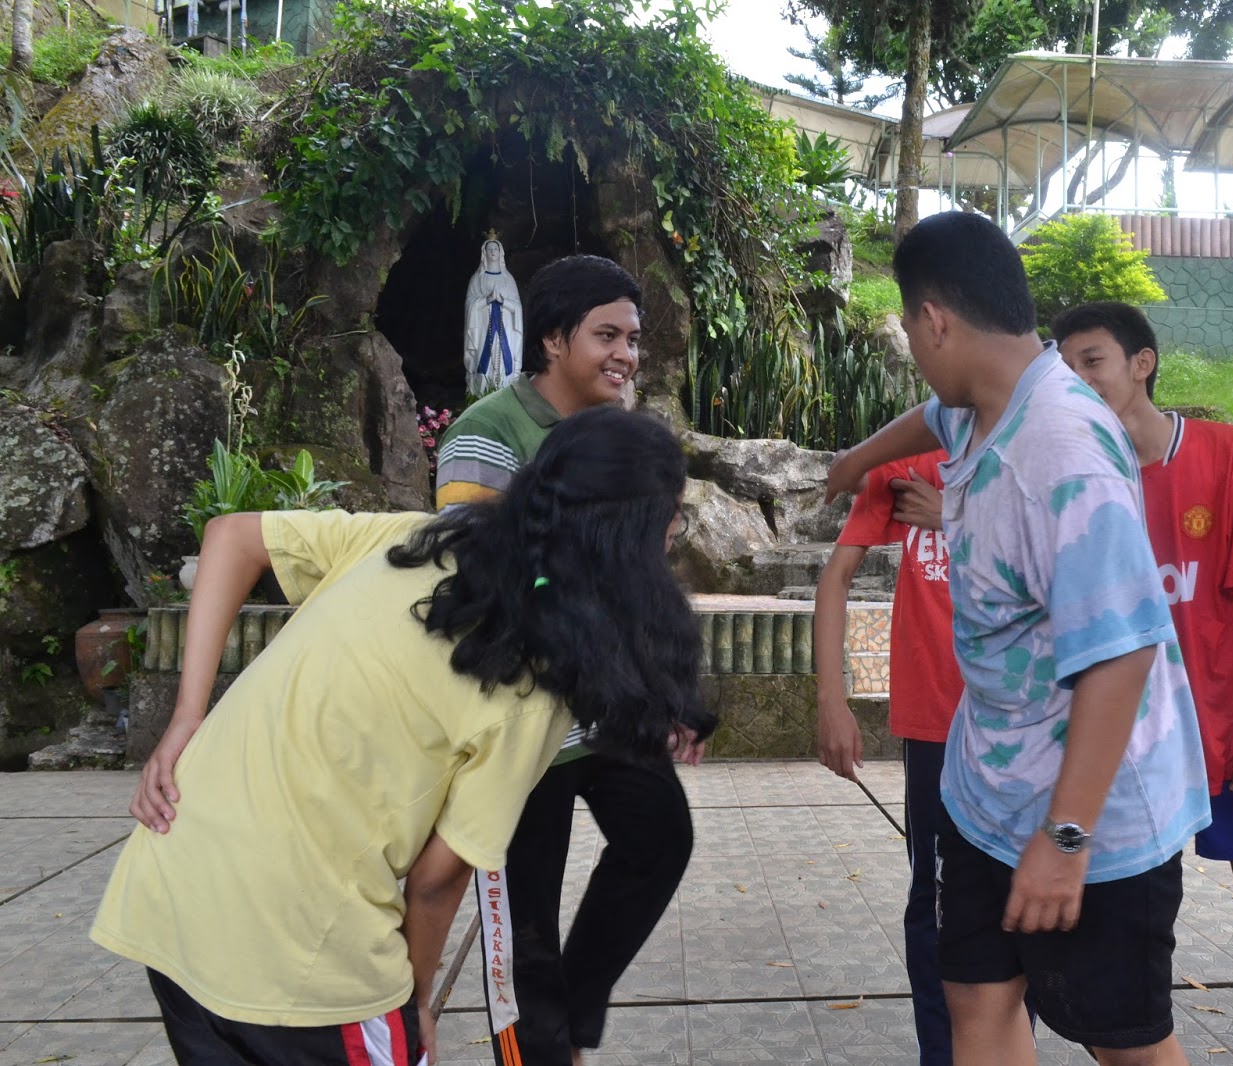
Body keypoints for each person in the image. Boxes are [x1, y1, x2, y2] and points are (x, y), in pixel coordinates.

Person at [93, 408, 713, 1066]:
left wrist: (187, 714)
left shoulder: (412, 538)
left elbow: (231, 536)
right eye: (671, 519)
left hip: (173, 886)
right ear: (628, 543)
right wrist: (416, 1002)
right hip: (302, 956)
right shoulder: (533, 689)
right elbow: (436, 882)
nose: (674, 536)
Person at [823, 211, 1209, 1066]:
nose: (918, 355)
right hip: (986, 795)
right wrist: (855, 461)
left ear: (935, 321)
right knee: (978, 1000)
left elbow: (1124, 653)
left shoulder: (1062, 454)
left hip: (1096, 817)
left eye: (912, 333)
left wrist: (1065, 840)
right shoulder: (987, 400)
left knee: (1125, 1042)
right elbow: (930, 417)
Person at [434, 254, 699, 1066]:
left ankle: (571, 1019)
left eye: (633, 339)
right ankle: (544, 1046)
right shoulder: (487, 435)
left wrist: (661, 694)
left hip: (600, 707)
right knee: (527, 928)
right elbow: (483, 584)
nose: (626, 356)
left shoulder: (618, 437)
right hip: (516, 717)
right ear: (552, 339)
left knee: (660, 836)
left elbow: (637, 579)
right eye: (607, 336)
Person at [1055, 301, 1233, 1066]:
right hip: (1125, 752)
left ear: (1143, 364)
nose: (1077, 380)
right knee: (1116, 924)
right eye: (1064, 368)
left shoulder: (1226, 453)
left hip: (1223, 732)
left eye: (1091, 361)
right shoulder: (1073, 475)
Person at [814, 450, 960, 1065]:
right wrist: (831, 700)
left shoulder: (1035, 447)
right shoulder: (912, 463)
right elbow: (836, 576)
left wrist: (956, 517)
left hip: (1022, 722)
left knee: (1014, 893)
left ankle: (1009, 1042)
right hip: (933, 720)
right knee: (933, 892)